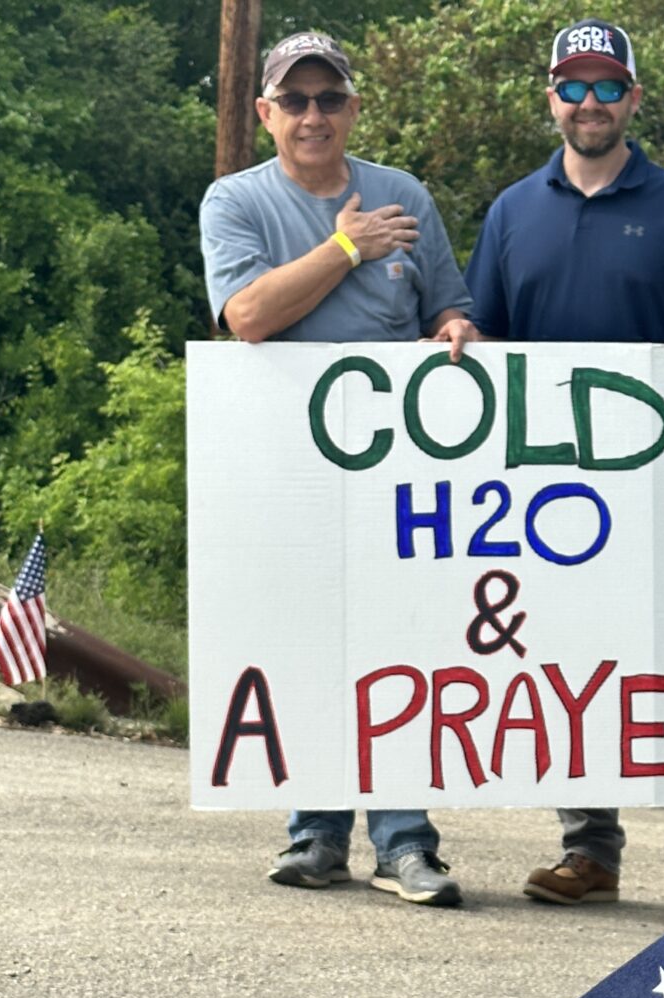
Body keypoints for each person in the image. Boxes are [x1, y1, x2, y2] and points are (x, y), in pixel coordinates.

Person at [464, 19, 664, 926]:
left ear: (634, 99)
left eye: (605, 86)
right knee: (572, 657)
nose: (588, 103)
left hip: (654, 483)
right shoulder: (511, 210)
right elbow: (487, 337)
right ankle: (590, 849)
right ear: (549, 97)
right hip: (546, 490)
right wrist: (459, 338)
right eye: (571, 87)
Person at [199, 31, 477, 907]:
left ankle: (405, 843)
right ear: (265, 113)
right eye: (296, 101)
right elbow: (244, 316)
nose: (313, 115)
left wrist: (457, 332)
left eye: (330, 99)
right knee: (309, 638)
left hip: (401, 468)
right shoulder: (234, 202)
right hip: (287, 466)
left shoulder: (406, 195)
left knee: (401, 643)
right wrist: (345, 247)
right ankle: (315, 835)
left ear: (354, 108)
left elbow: (449, 303)